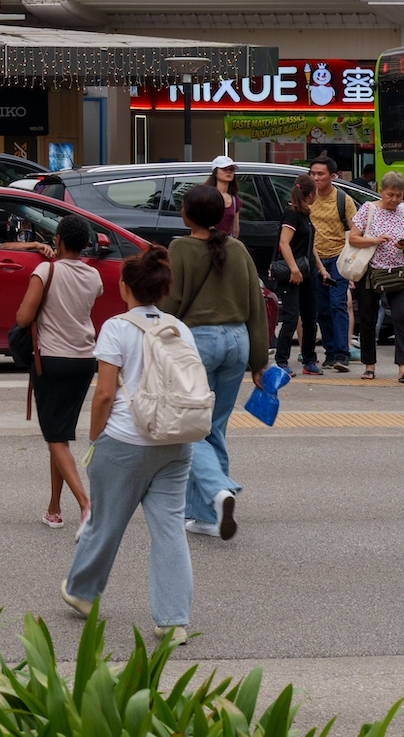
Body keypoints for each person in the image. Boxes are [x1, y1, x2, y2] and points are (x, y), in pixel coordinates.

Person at [60, 246, 196, 644]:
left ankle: (83, 593)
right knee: (170, 528)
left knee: (105, 520)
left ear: (124, 287)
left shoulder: (117, 328)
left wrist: (94, 437)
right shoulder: (178, 328)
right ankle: (173, 621)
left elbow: (104, 394)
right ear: (163, 290)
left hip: (125, 437)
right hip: (175, 440)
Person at [161, 185, 268, 541]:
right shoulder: (237, 249)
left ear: (186, 214)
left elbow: (171, 302)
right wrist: (259, 360)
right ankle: (206, 516)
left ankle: (218, 490)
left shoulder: (180, 247)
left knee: (191, 428)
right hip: (237, 341)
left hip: (198, 344)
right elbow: (256, 304)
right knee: (214, 427)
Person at [15, 214, 105, 530]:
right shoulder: (94, 277)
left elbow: (24, 317)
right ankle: (54, 508)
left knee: (55, 436)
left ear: (59, 241)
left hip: (51, 360)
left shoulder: (45, 270)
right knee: (61, 434)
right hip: (84, 361)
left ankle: (85, 503)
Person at [350, 170, 404, 384]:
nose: (394, 200)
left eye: (399, 195)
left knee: (401, 315)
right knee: (368, 318)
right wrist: (374, 240)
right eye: (390, 194)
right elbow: (354, 238)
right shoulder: (368, 209)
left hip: (397, 273)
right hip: (370, 272)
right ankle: (369, 365)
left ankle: (403, 367)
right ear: (381, 191)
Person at [304, 154, 359, 371]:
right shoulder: (307, 198)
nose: (316, 178)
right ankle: (329, 352)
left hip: (338, 258)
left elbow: (354, 229)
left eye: (320, 174)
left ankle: (341, 353)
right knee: (322, 309)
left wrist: (352, 259)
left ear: (332, 176)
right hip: (314, 260)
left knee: (339, 305)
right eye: (313, 173)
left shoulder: (342, 199)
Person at [273, 172, 326, 374]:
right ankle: (281, 361)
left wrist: (320, 268)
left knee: (310, 317)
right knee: (291, 317)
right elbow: (284, 243)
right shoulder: (292, 213)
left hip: (307, 272)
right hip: (292, 273)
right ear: (310, 194)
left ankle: (309, 359)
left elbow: (309, 246)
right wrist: (294, 269)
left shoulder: (305, 213)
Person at [206, 156, 242, 236]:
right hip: (208, 241)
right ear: (215, 172)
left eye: (231, 169)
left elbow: (236, 229)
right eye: (224, 169)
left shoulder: (234, 199)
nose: (228, 172)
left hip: (227, 242)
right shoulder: (206, 196)